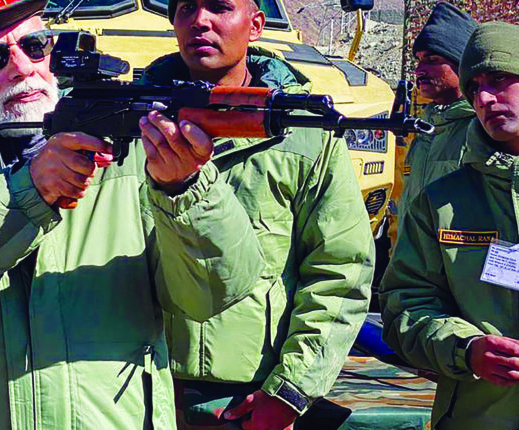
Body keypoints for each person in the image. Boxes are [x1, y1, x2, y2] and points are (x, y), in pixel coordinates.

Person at [0, 0, 264, 428]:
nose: (22, 67)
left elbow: (214, 295)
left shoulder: (129, 157)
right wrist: (26, 190)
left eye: (36, 46)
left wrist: (184, 191)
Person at [137, 0, 374, 428]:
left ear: (256, 25)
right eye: (186, 8)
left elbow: (340, 270)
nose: (200, 21)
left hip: (249, 399)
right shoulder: (130, 124)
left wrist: (289, 393)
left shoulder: (304, 131)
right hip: (139, 387)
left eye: (220, 7)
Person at [380, 21, 519, 430]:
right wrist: (465, 348)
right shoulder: (442, 202)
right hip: (478, 417)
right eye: (474, 87)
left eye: (499, 79)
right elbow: (404, 303)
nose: (485, 98)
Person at [395, 2, 478, 231]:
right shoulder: (425, 131)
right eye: (418, 60)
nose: (420, 70)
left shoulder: (481, 132)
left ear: (463, 66)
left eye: (432, 61)